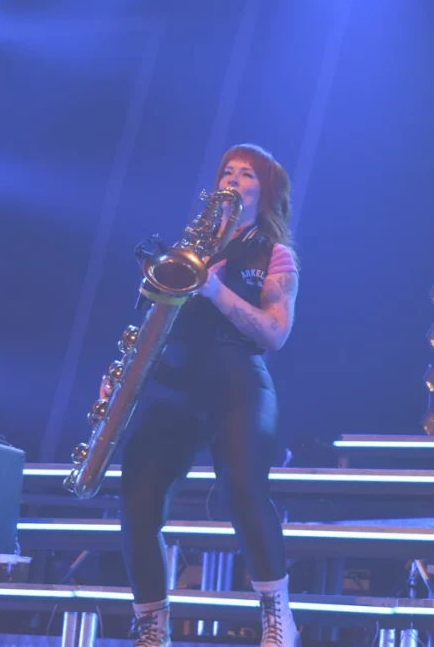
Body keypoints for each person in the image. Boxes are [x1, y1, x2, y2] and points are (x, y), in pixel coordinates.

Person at [116, 144, 301, 647]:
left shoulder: (274, 254)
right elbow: (153, 326)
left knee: (241, 489)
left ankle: (277, 618)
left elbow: (275, 334)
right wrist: (124, 376)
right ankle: (152, 626)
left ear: (263, 192)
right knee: (136, 500)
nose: (233, 179)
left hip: (238, 376)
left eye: (246, 174)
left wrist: (216, 291)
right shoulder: (187, 251)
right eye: (226, 171)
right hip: (176, 382)